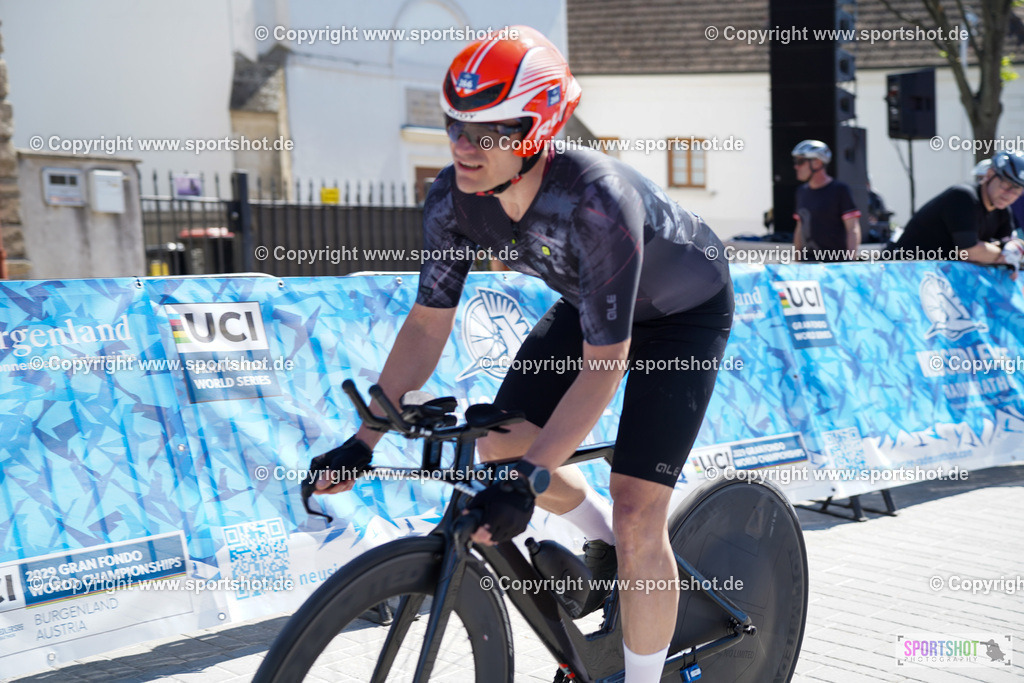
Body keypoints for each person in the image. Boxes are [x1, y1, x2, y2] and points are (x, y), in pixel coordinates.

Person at [310, 26, 733, 683]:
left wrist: (530, 479)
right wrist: (362, 439)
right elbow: (426, 325)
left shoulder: (596, 202)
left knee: (637, 507)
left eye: (488, 132)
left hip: (682, 317)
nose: (462, 146)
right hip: (590, 303)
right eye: (455, 125)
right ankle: (599, 542)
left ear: (536, 129)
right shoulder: (451, 200)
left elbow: (605, 365)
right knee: (497, 439)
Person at [891, 150, 1024, 264]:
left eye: (1017, 189)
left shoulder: (1003, 210)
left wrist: (1007, 251)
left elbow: (1010, 248)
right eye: (1006, 185)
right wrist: (1005, 254)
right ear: (989, 175)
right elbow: (969, 252)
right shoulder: (963, 196)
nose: (1010, 195)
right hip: (903, 274)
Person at [791, 139, 862, 261]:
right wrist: (797, 260)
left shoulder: (839, 190)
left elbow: (852, 228)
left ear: (817, 163)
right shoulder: (801, 191)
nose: (796, 166)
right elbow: (799, 227)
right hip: (809, 264)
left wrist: (849, 262)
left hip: (835, 266)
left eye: (800, 161)